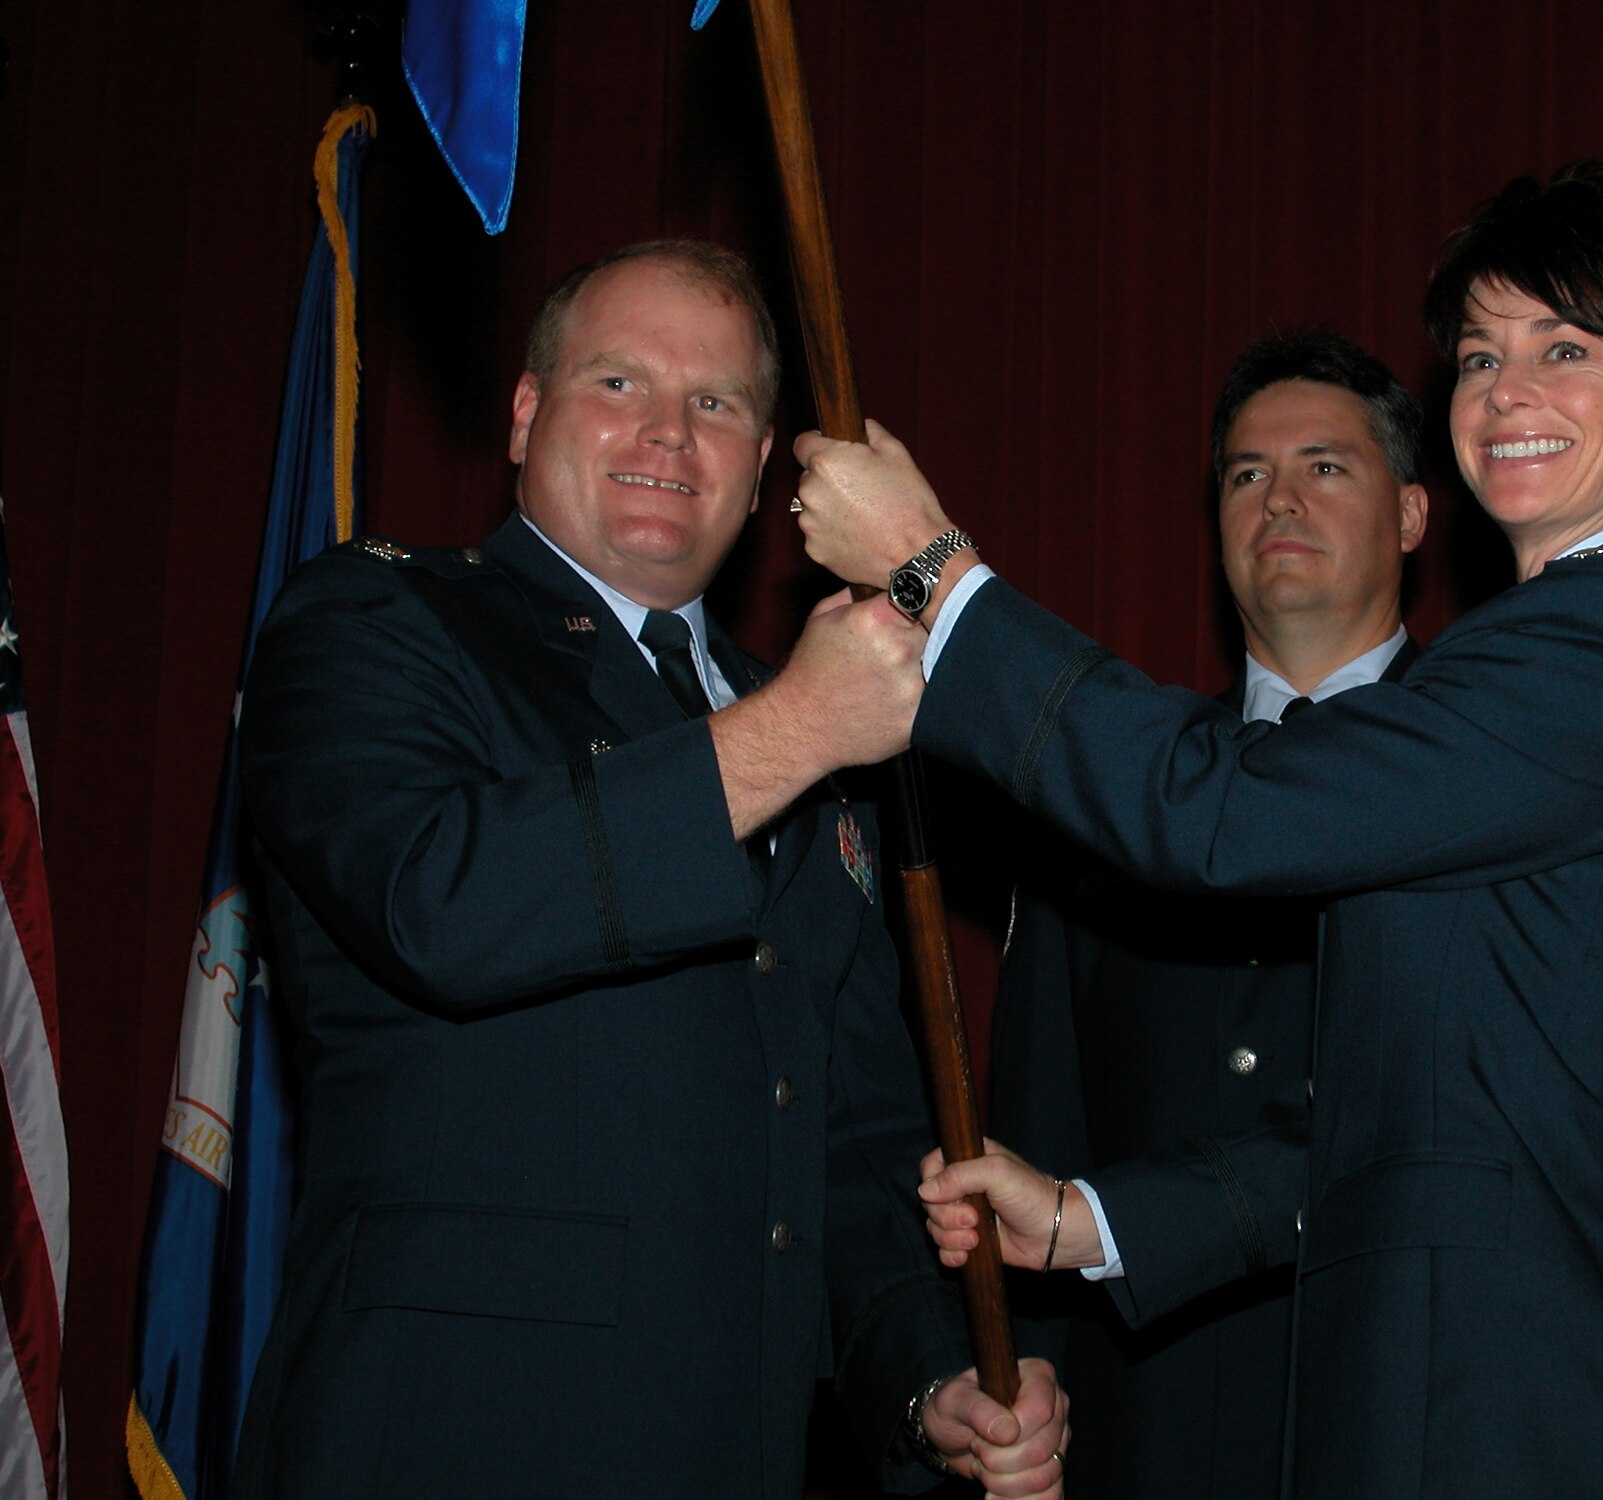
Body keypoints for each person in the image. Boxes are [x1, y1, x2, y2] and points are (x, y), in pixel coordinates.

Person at [789, 163, 1603, 1497]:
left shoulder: (1598, 647)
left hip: (1532, 1433)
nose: (1506, 394)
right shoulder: (1552, 658)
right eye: (1482, 354)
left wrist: (934, 572)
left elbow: (1217, 810)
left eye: (1567, 348)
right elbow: (1413, 1135)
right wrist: (1094, 1217)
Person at [231, 240, 1065, 1500]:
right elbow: (441, 899)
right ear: (523, 415)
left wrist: (926, 1380)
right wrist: (794, 730)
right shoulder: (378, 620)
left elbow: (849, 1143)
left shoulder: (817, 737)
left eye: (716, 404)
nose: (669, 434)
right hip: (447, 1438)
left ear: (765, 475)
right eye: (619, 384)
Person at [986, 329, 1425, 1499]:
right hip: (1149, 1427)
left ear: (1414, 514)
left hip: (1403, 1411)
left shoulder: (1485, 769)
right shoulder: (1105, 790)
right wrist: (1020, 1382)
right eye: (1244, 473)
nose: (1277, 497)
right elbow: (1038, 1125)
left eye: (1324, 466)